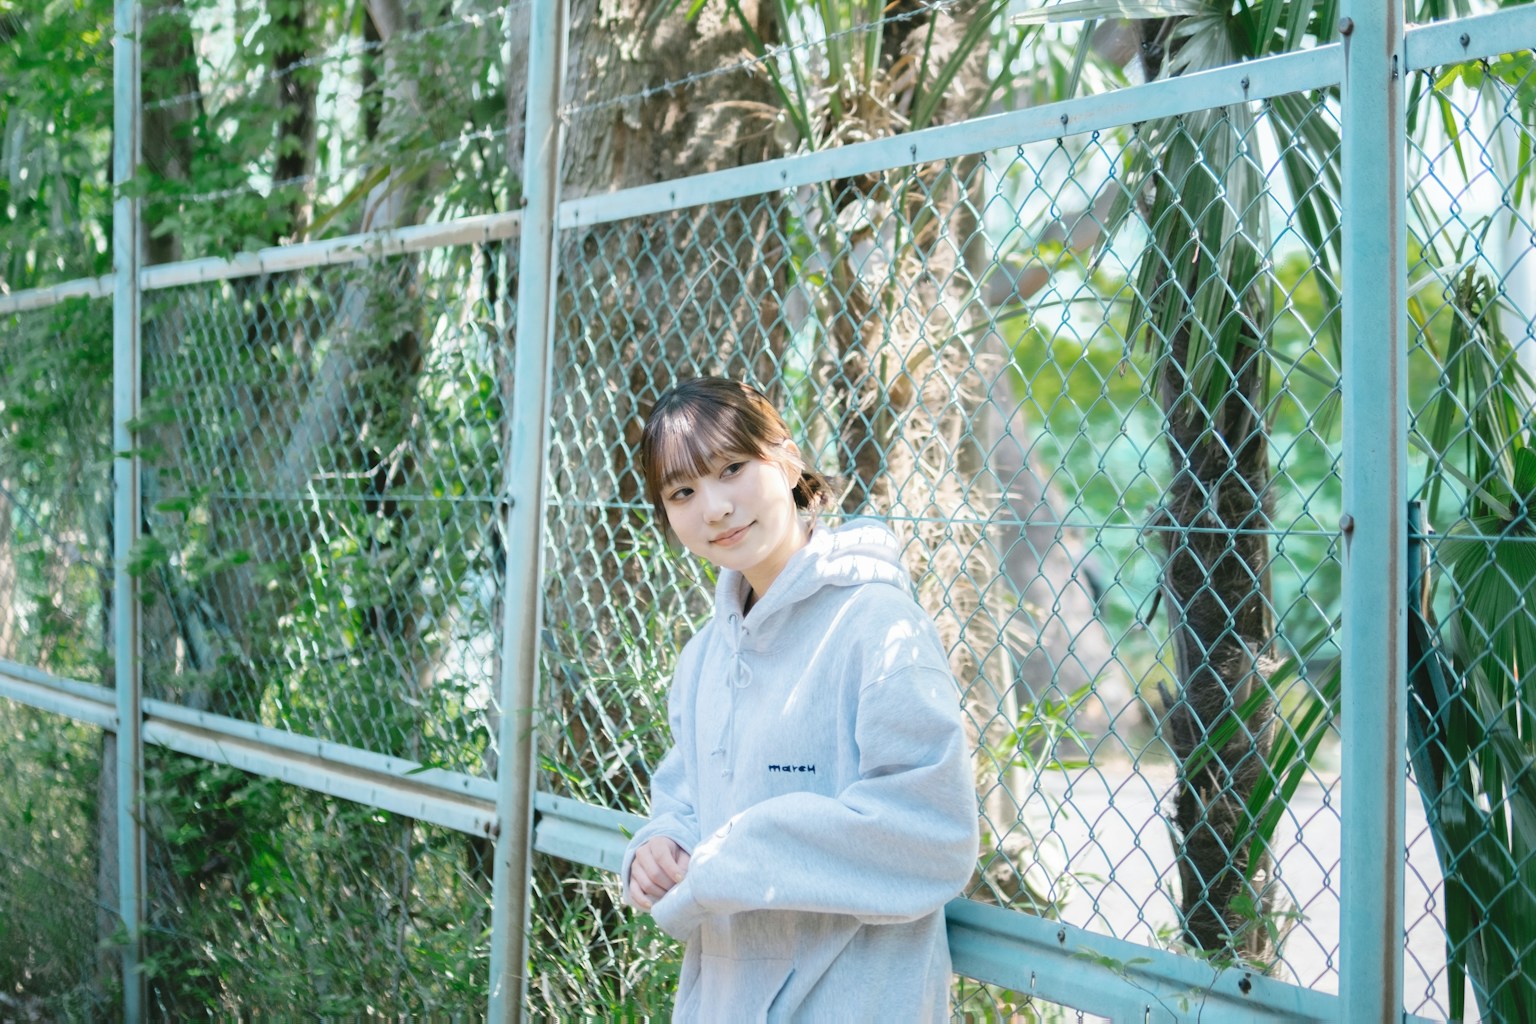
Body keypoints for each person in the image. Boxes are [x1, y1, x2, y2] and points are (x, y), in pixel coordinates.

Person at [621, 377, 979, 1022]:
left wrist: (739, 856)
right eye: (683, 492)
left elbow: (937, 835)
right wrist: (663, 841)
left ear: (786, 460)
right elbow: (686, 796)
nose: (716, 508)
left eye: (732, 469)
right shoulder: (703, 655)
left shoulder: (876, 624)